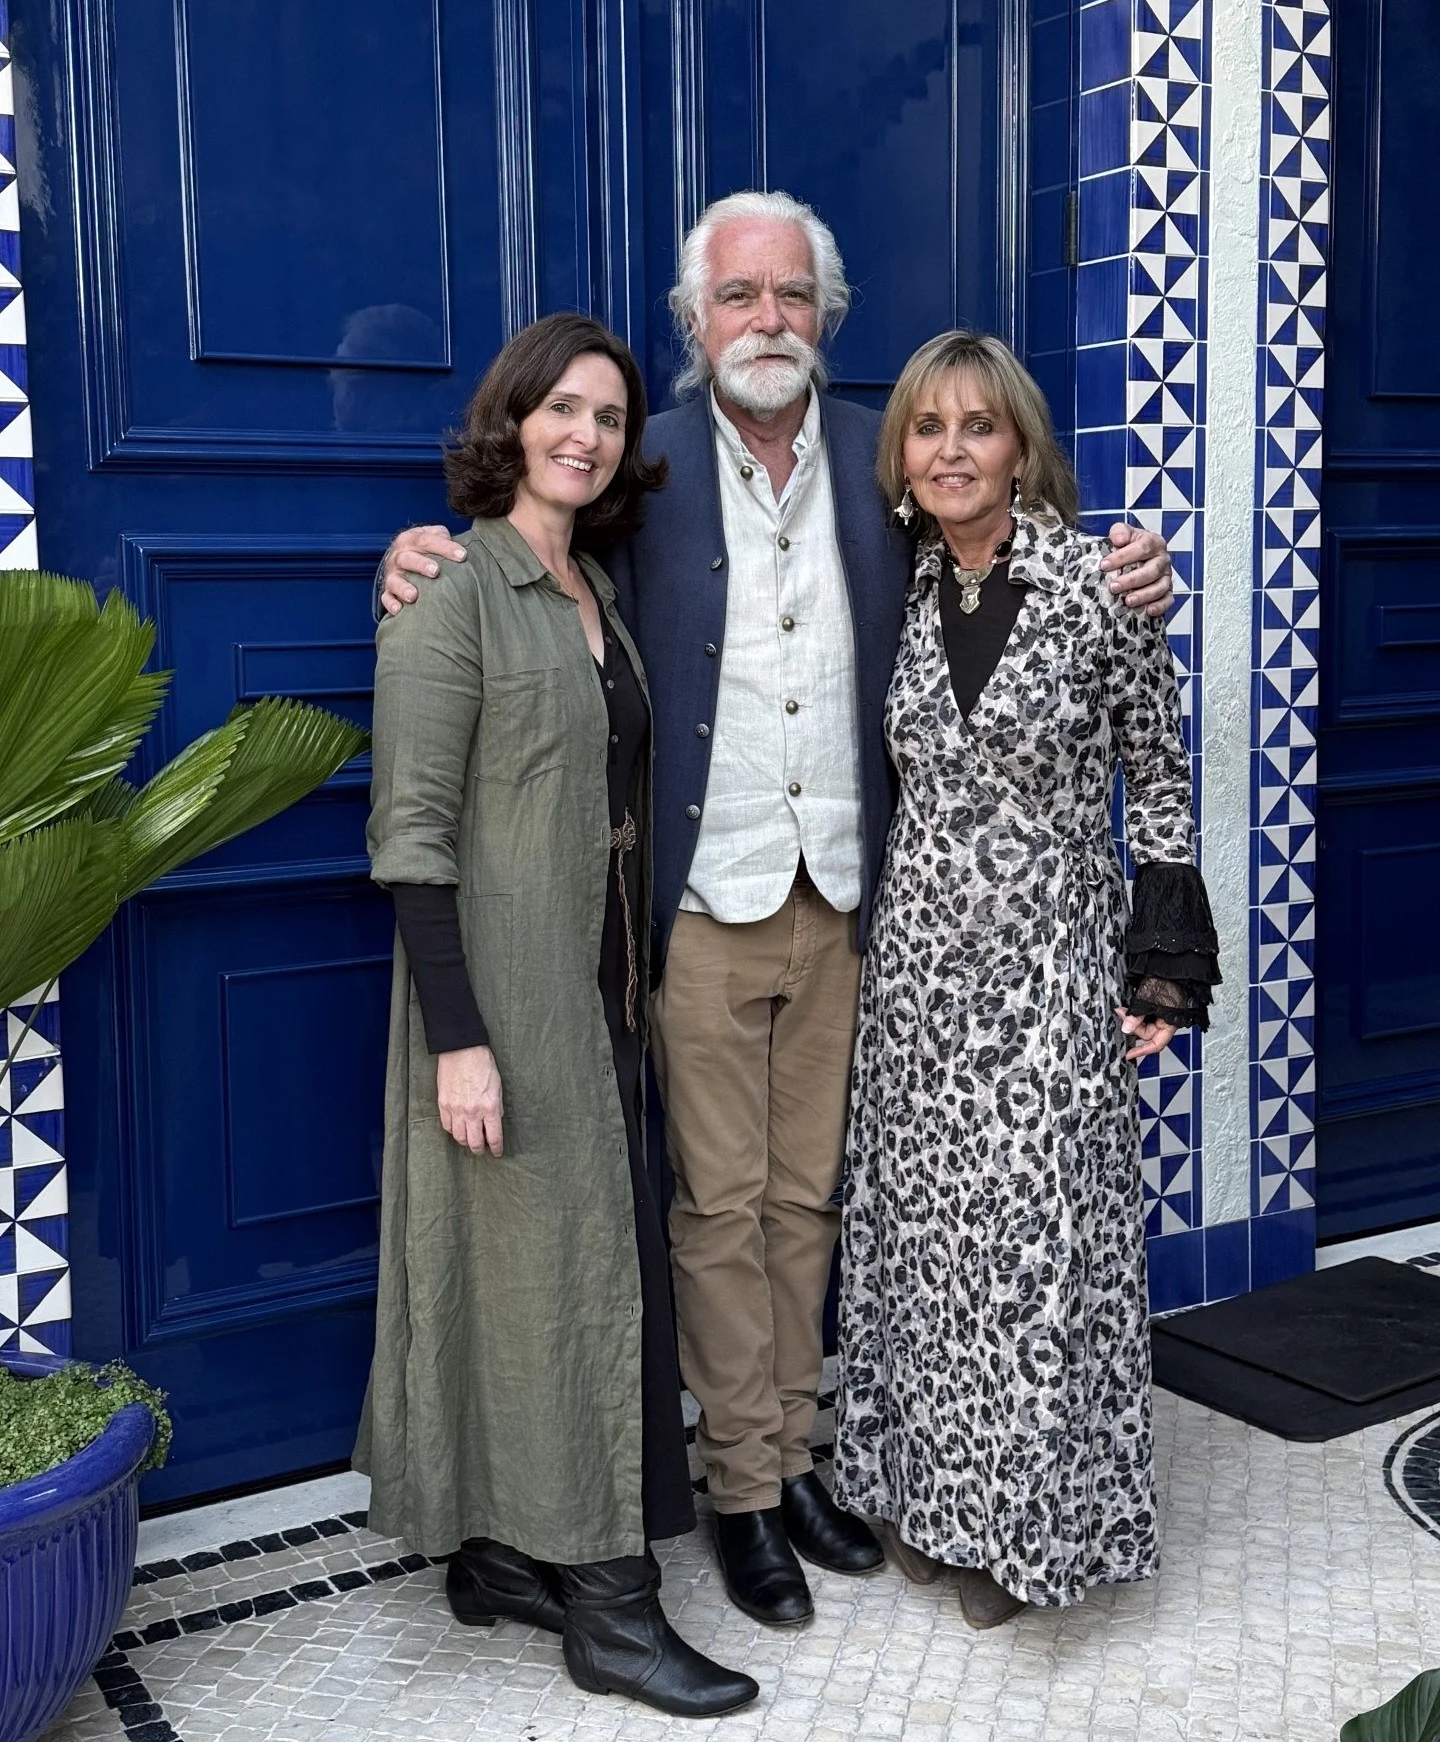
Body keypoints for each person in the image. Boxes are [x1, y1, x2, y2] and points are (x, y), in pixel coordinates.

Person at [377, 190, 1176, 1628]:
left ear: (827, 318)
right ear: (695, 326)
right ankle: (744, 1488)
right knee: (719, 1203)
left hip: (859, 909)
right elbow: (529, 549)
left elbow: (1010, 555)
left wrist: (1133, 564)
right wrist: (419, 555)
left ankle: (803, 1457)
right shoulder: (644, 467)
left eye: (792, 297)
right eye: (738, 298)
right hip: (695, 905)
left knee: (814, 1200)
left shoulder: (887, 466)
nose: (767, 321)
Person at [359, 311, 757, 1719]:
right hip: (505, 1006)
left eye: (608, 414)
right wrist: (460, 1040)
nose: (585, 434)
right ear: (512, 422)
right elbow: (409, 835)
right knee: (574, 1287)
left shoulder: (588, 584)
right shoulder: (453, 597)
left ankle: (495, 1553)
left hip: (606, 995)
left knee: (546, 1281)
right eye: (562, 410)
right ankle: (611, 1605)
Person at [831, 330, 1218, 1630]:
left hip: (1053, 965)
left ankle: (1023, 1531)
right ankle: (922, 1496)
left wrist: (1163, 965)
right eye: (928, 428)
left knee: (1038, 1247)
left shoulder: (1103, 584)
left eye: (977, 427)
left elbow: (1157, 775)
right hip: (920, 973)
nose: (951, 450)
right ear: (903, 456)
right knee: (929, 1244)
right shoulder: (902, 583)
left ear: (1020, 447)